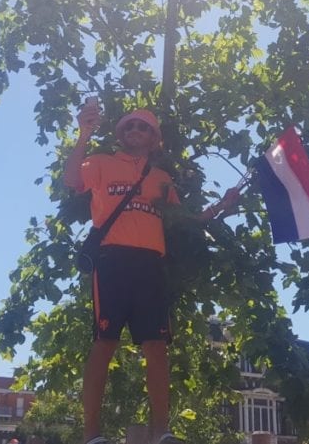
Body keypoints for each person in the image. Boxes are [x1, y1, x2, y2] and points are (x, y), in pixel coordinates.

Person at [63, 98, 238, 444]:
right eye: (128, 125)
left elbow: (184, 220)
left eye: (143, 126)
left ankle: (162, 433)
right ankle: (91, 435)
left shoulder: (162, 179)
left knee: (156, 346)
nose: (135, 130)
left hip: (150, 266)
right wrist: (84, 133)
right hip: (112, 262)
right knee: (104, 343)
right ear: (120, 134)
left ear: (154, 137)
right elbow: (71, 180)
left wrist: (221, 206)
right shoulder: (100, 163)